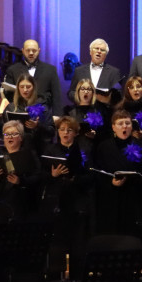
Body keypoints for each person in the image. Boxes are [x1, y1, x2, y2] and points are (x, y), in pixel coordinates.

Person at [42, 116, 95, 272]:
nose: (65, 133)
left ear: (76, 133)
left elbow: (91, 176)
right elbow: (42, 176)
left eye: (69, 130)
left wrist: (75, 178)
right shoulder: (51, 150)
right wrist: (53, 175)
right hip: (58, 203)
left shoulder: (84, 150)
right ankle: (57, 281)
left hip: (78, 202)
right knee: (57, 245)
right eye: (62, 129)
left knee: (78, 246)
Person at [94, 109, 142, 239]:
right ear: (113, 127)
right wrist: (111, 182)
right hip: (111, 198)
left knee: (132, 236)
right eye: (120, 124)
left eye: (127, 123)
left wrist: (138, 177)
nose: (124, 126)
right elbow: (98, 171)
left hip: (134, 197)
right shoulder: (104, 147)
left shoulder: (141, 145)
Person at [0, 120, 41, 223]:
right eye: (7, 134)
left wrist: (21, 181)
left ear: (21, 138)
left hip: (21, 202)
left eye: (14, 134)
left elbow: (38, 176)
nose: (10, 137)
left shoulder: (28, 154)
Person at [3, 39, 64, 115]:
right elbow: (9, 95)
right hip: (19, 112)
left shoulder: (50, 70)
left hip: (43, 113)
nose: (31, 53)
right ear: (23, 51)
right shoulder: (13, 70)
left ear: (39, 51)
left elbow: (56, 95)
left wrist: (57, 115)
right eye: (28, 50)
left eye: (34, 50)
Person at [3, 73, 54, 151]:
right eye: (22, 87)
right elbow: (2, 129)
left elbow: (51, 132)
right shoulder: (11, 107)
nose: (25, 90)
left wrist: (38, 126)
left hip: (38, 148)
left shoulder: (43, 106)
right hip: (16, 149)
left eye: (28, 87)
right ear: (18, 88)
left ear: (33, 88)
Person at [69, 39, 124, 104]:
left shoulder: (114, 72)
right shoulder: (79, 71)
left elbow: (118, 95)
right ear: (90, 52)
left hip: (104, 112)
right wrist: (81, 97)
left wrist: (107, 98)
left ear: (106, 55)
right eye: (96, 48)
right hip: (83, 111)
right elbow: (71, 92)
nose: (99, 51)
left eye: (102, 50)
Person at [64, 77, 112, 146]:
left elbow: (107, 132)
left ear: (93, 93)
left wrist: (96, 134)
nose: (86, 91)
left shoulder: (100, 110)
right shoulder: (68, 111)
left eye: (89, 89)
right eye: (82, 89)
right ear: (78, 92)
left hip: (95, 148)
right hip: (75, 147)